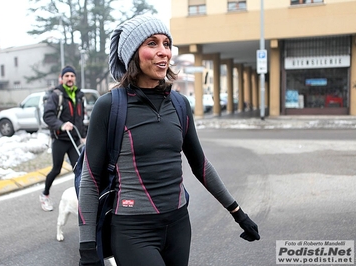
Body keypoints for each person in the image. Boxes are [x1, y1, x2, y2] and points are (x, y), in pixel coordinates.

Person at [78, 15, 260, 266]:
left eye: (167, 44)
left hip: (178, 226)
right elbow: (90, 179)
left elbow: (201, 165)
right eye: (152, 43)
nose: (163, 52)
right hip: (133, 230)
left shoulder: (179, 104)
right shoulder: (109, 106)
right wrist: (87, 248)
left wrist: (238, 213)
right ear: (133, 53)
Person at [39, 65, 87, 211]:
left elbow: (80, 118)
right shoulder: (56, 95)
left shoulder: (79, 95)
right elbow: (48, 116)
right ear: (62, 78)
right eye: (67, 76)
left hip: (74, 140)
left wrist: (83, 135)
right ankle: (44, 195)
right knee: (56, 169)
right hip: (60, 139)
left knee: (79, 169)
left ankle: (82, 199)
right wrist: (61, 125)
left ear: (75, 78)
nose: (70, 78)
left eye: (72, 76)